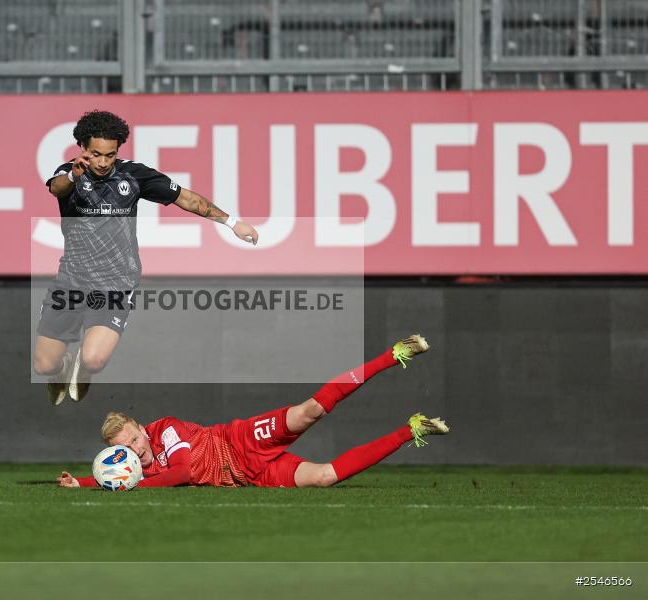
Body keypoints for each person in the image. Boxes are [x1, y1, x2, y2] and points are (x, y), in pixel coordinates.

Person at [33, 110, 259, 405]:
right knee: (44, 365)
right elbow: (56, 189)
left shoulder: (133, 175)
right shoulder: (69, 172)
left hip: (116, 282)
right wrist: (74, 175)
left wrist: (232, 223)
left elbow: (186, 198)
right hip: (71, 279)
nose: (103, 162)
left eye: (110, 155)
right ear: (83, 149)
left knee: (94, 359)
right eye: (96, 154)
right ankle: (61, 369)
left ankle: (84, 368)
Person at [57, 335, 449, 489]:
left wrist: (130, 486)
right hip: (248, 475)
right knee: (325, 477)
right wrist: (82, 482)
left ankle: (391, 355)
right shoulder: (134, 466)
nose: (134, 452)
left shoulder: (166, 431)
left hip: (240, 441)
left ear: (141, 428)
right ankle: (411, 430)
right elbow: (114, 474)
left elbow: (185, 471)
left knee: (311, 410)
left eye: (133, 441)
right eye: (124, 451)